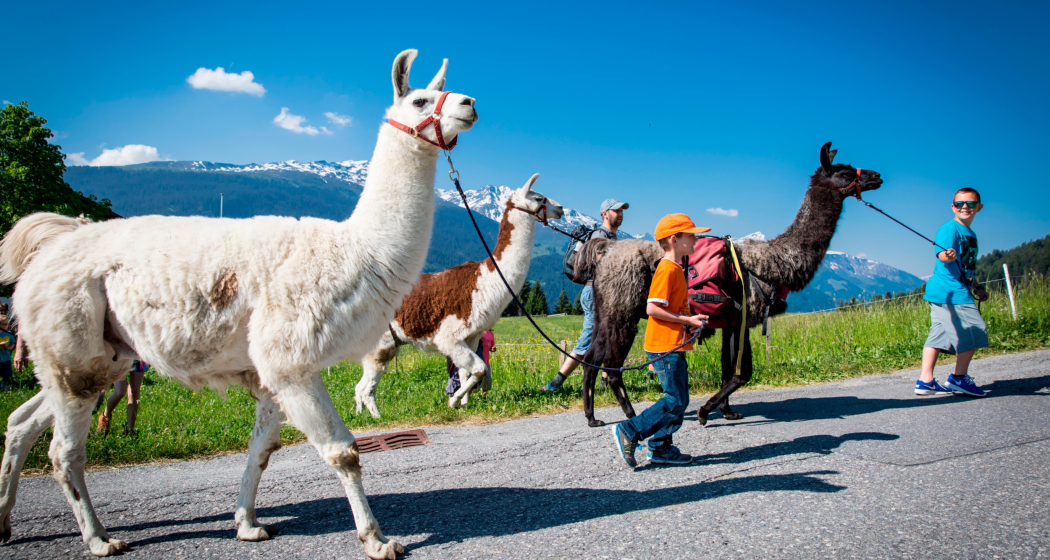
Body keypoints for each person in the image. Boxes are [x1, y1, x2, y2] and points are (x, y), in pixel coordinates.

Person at [612, 214, 709, 467]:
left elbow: (671, 308)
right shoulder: (667, 269)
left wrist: (690, 317)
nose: (696, 239)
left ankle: (660, 448)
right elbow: (652, 308)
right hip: (665, 347)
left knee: (680, 399)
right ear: (675, 240)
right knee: (675, 400)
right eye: (691, 235)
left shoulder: (675, 268)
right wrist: (688, 322)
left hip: (672, 344)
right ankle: (630, 432)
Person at [542, 198, 628, 392]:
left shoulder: (610, 236)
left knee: (611, 336)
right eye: (616, 211)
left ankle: (606, 382)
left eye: (622, 211)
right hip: (596, 292)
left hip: (604, 293)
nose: (620, 214)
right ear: (605, 214)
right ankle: (554, 385)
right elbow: (600, 261)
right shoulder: (600, 234)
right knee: (587, 341)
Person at [914, 188, 990, 398]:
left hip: (944, 291)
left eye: (971, 204)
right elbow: (942, 255)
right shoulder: (950, 229)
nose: (965, 207)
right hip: (950, 291)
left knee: (938, 336)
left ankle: (926, 381)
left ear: (979, 207)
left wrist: (977, 287)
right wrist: (946, 255)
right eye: (960, 204)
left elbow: (967, 267)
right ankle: (959, 378)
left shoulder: (970, 234)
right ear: (953, 206)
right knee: (975, 329)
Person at [97, 360, 149, 435]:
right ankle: (105, 416)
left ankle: (130, 430)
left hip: (138, 357)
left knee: (135, 391)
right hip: (119, 357)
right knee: (120, 391)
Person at [446, 331, 497, 396]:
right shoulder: (479, 332)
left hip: (485, 362)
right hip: (473, 361)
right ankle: (461, 398)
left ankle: (483, 397)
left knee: (486, 381)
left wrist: (492, 348)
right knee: (463, 379)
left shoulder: (489, 333)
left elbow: (490, 345)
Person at [0, 305, 15, 390]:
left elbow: (13, 342)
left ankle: (4, 384)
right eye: (5, 324)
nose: (7, 326)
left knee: (7, 373)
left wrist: (10, 347)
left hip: (6, 357)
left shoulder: (9, 334)